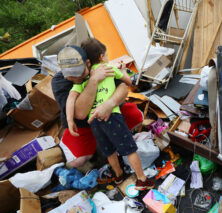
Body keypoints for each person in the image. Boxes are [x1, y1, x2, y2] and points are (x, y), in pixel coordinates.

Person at [52, 43, 153, 190]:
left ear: (88, 62)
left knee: (136, 116)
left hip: (107, 115)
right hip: (83, 125)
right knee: (79, 162)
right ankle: (141, 179)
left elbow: (124, 88)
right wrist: (93, 81)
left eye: (80, 74)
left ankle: (119, 174)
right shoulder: (59, 81)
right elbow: (80, 114)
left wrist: (109, 104)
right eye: (71, 77)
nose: (76, 79)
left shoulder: (100, 67)